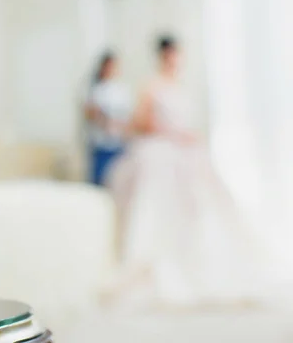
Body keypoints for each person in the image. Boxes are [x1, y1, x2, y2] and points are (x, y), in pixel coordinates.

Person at [105, 36, 264, 308]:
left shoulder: (181, 88)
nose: (175, 61)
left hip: (186, 152)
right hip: (164, 151)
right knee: (163, 205)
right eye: (171, 56)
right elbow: (141, 123)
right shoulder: (151, 87)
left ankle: (204, 263)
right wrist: (175, 134)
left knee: (204, 205)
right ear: (163, 57)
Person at [84, 52, 132, 186]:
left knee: (116, 181)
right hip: (100, 144)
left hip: (118, 144)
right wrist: (106, 122)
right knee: (98, 181)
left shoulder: (122, 91)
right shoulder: (96, 90)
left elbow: (128, 119)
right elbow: (91, 113)